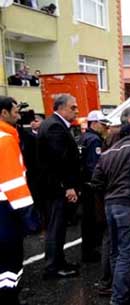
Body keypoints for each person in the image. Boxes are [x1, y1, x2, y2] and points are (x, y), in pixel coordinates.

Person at [91, 123, 130, 305]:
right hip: (128, 203)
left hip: (110, 204)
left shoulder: (107, 152)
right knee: (127, 253)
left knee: (115, 252)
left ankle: (119, 292)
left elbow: (96, 181)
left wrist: (109, 192)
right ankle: (119, 298)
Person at [37, 93, 81, 279]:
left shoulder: (55, 124)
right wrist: (68, 186)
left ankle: (59, 262)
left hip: (54, 187)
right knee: (56, 228)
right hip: (56, 188)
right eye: (73, 107)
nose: (76, 110)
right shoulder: (55, 126)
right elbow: (59, 161)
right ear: (61, 108)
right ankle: (53, 267)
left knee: (59, 227)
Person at [0, 96, 39, 305]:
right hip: (6, 212)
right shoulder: (5, 140)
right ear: (3, 113)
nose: (19, 114)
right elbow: (13, 184)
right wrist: (31, 220)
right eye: (15, 111)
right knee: (9, 264)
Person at [79, 110, 109, 262]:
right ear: (94, 123)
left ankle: (87, 250)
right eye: (103, 124)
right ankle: (90, 252)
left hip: (84, 184)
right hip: (92, 186)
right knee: (93, 219)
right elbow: (95, 165)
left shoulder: (84, 137)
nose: (104, 128)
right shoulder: (94, 140)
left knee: (87, 219)